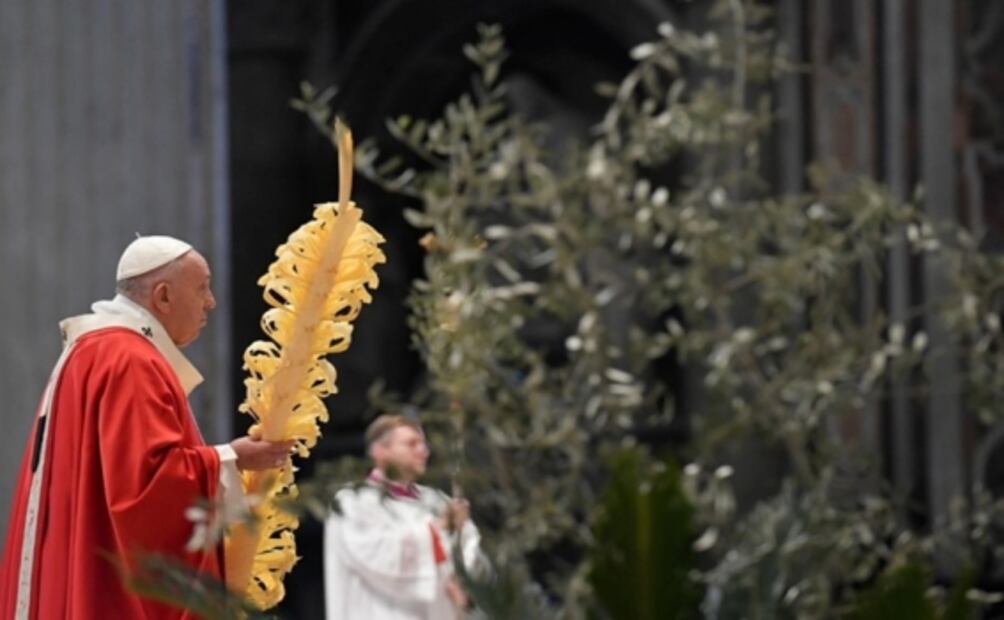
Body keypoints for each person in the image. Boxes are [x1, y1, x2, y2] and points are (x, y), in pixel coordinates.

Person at [0, 235, 293, 619]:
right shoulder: (129, 359)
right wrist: (233, 458)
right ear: (163, 296)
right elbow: (144, 484)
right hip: (109, 586)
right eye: (202, 287)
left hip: (81, 559)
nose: (211, 301)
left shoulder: (96, 349)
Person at [324, 414, 484, 619]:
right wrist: (438, 529)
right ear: (380, 451)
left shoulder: (436, 500)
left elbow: (471, 554)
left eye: (424, 444)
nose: (423, 450)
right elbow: (379, 557)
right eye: (411, 443)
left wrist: (463, 567)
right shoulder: (353, 502)